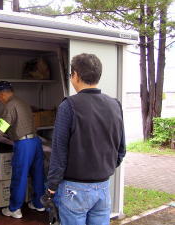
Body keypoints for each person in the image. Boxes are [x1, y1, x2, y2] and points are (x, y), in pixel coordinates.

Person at [45, 53, 126, 225]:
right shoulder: (115, 104)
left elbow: (59, 153)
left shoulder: (68, 106)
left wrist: (51, 186)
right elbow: (121, 150)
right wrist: (104, 168)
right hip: (103, 187)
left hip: (74, 188)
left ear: (75, 75)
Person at [0, 81, 45, 219]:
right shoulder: (22, 102)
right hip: (35, 142)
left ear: (1, 94)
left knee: (19, 177)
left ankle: (14, 209)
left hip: (24, 144)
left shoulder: (9, 106)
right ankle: (39, 204)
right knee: (38, 174)